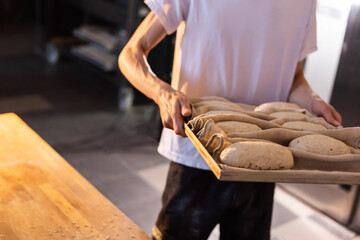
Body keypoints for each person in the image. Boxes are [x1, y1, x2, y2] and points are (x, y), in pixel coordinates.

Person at [118, 0, 342, 239]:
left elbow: (294, 77)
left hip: (263, 159)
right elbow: (131, 53)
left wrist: (310, 100)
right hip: (198, 156)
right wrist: (163, 94)